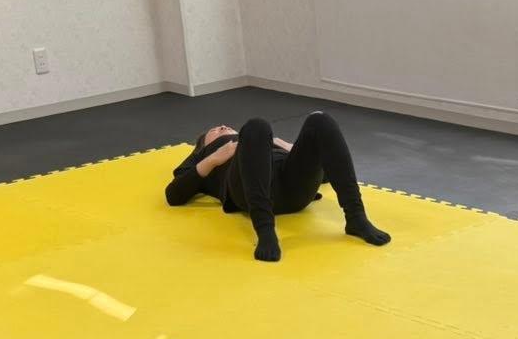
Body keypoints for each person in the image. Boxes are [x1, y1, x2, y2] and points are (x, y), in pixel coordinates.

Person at [166, 110, 391, 261]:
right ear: (203, 144)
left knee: (320, 120)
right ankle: (266, 232)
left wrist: (286, 146)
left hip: (293, 189)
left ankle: (356, 218)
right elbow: (173, 195)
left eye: (225, 127)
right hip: (250, 192)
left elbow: (327, 175)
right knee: (256, 125)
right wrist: (214, 158)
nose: (222, 126)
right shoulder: (207, 155)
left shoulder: (265, 141)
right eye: (215, 130)